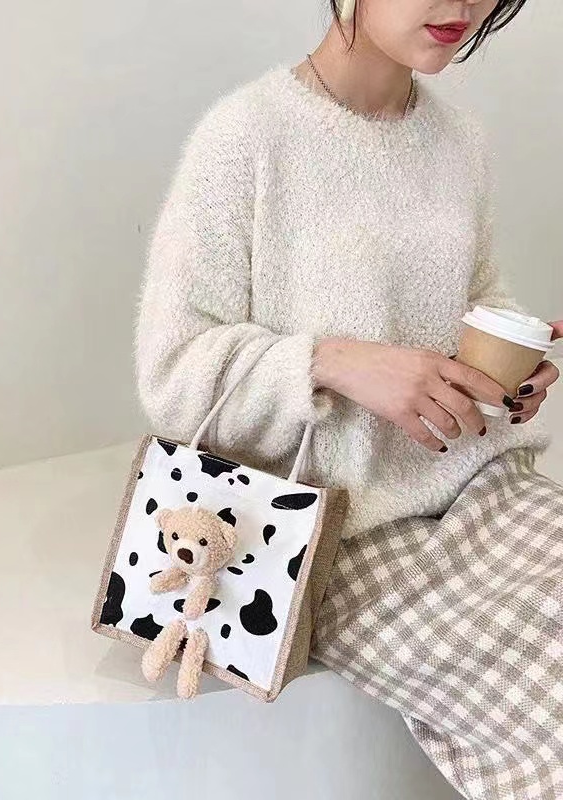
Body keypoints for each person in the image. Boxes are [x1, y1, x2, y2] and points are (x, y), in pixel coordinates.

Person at [133, 1, 563, 798]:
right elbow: (175, 374)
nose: (464, 6)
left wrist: (510, 372)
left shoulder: (460, 142)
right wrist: (333, 364)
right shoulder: (247, 137)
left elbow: (474, 298)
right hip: (333, 534)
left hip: (483, 492)